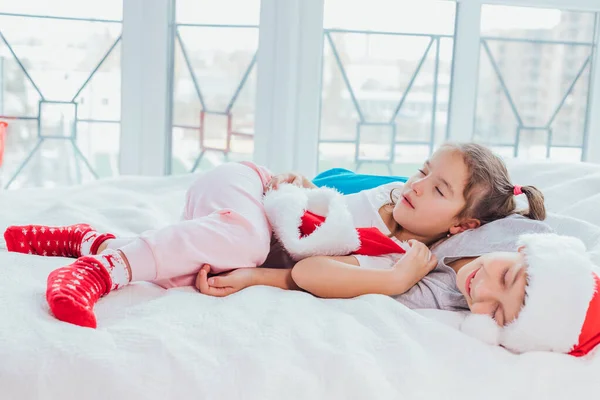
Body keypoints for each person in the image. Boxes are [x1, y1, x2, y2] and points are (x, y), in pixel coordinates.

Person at [4, 143, 545, 329]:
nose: (417, 185)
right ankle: (101, 272)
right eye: (424, 169)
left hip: (232, 225)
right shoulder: (381, 201)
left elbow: (308, 272)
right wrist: (295, 186)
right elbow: (308, 196)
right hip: (246, 185)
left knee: (193, 272)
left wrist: (395, 280)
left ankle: (90, 241)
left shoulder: (402, 257)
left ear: (462, 227)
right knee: (238, 243)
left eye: (439, 188)